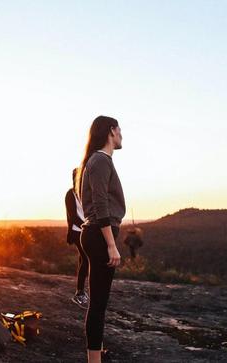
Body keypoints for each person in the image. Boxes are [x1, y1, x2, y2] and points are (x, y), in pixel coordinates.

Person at [76, 115, 126, 363]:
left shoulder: (97, 160)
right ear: (110, 131)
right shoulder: (100, 160)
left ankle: (98, 354)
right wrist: (111, 244)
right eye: (120, 130)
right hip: (99, 234)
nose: (122, 135)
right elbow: (100, 203)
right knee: (97, 304)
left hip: (96, 233)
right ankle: (94, 360)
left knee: (99, 301)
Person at [65, 168, 89, 309]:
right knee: (86, 259)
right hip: (77, 231)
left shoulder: (86, 192)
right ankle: (79, 293)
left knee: (83, 259)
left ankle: (81, 291)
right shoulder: (70, 194)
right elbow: (73, 216)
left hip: (87, 230)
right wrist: (88, 226)